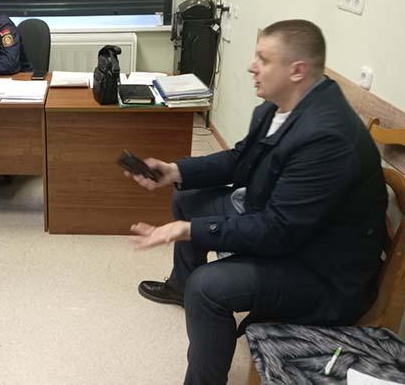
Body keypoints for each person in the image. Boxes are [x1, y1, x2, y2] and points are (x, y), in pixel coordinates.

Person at [127, 20, 387, 385]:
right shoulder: (277, 107)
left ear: (297, 70)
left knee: (208, 287)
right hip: (282, 223)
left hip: (321, 272)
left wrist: (190, 230)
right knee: (187, 197)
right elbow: (240, 160)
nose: (251, 67)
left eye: (263, 59)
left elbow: (277, 232)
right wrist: (174, 171)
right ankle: (180, 286)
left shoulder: (326, 138)